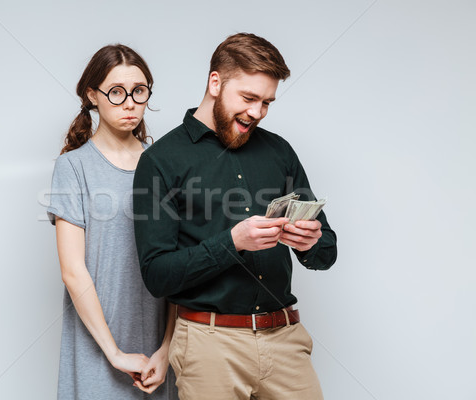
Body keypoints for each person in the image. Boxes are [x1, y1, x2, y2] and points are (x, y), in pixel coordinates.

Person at [133, 33, 337, 400]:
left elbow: (327, 252)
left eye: (267, 102)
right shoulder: (160, 161)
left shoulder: (279, 151)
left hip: (285, 340)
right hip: (208, 346)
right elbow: (157, 275)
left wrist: (312, 242)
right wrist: (232, 243)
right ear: (215, 82)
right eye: (248, 98)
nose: (257, 112)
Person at [47, 44, 177, 400]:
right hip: (96, 345)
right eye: (116, 93)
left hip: (158, 353)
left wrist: (167, 349)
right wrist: (114, 352)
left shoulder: (166, 165)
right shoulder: (72, 167)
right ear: (93, 95)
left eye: (139, 91)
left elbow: (181, 268)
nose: (130, 103)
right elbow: (73, 271)